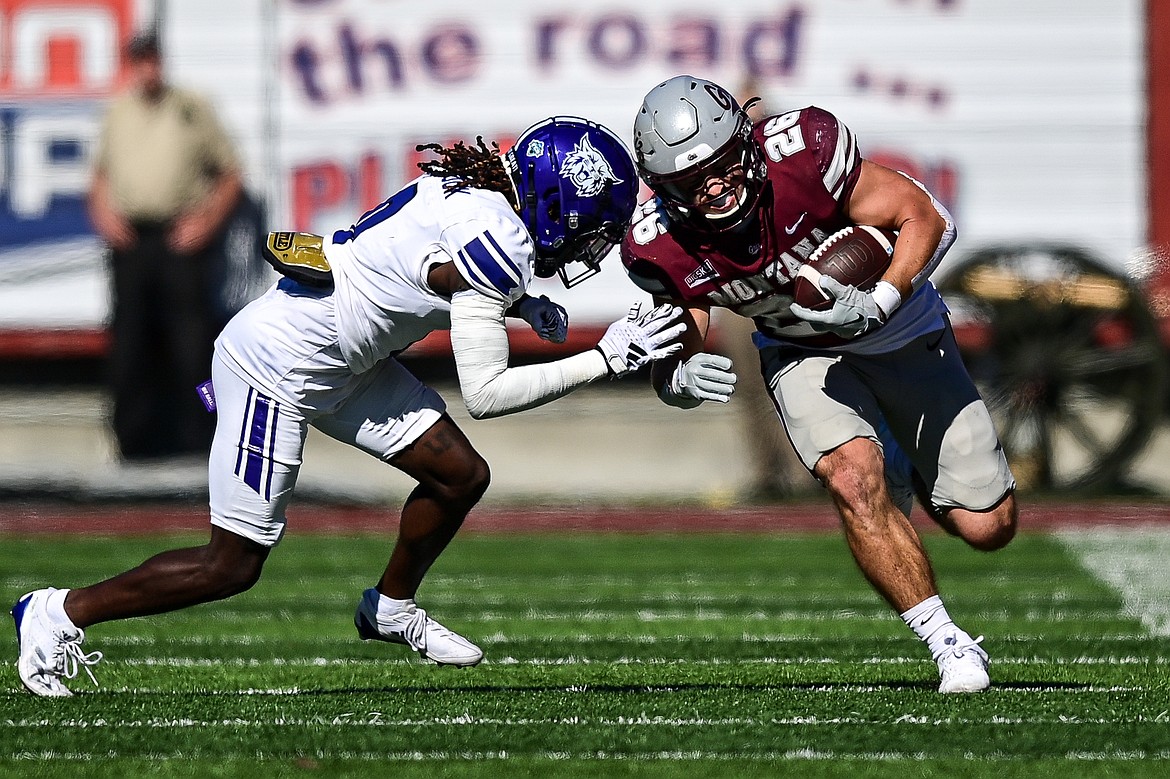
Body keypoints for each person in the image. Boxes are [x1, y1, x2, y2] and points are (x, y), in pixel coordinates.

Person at [12, 116, 685, 697]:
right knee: (232, 564)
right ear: (553, 200)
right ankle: (58, 611)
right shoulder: (501, 242)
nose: (587, 245)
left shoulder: (470, 186)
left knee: (460, 475)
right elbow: (485, 393)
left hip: (343, 358)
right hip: (276, 367)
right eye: (588, 226)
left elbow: (421, 267)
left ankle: (391, 607)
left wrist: (517, 303)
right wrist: (608, 357)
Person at [620, 75, 1017, 693]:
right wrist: (674, 377)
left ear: (746, 148)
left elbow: (926, 215)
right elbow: (682, 337)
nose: (714, 188)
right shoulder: (660, 246)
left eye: (721, 167)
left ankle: (908, 460)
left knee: (988, 528)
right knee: (851, 477)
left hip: (901, 331)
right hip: (799, 349)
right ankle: (949, 646)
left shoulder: (804, 153)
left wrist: (881, 298)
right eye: (688, 185)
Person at [87, 30, 244, 460]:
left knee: (192, 346)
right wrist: (104, 213)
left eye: (153, 60)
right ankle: (132, 440)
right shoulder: (118, 111)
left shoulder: (191, 108)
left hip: (183, 241)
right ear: (130, 65)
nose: (147, 69)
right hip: (134, 242)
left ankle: (202, 434)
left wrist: (207, 222)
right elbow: (99, 175)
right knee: (130, 343)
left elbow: (230, 174)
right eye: (139, 61)